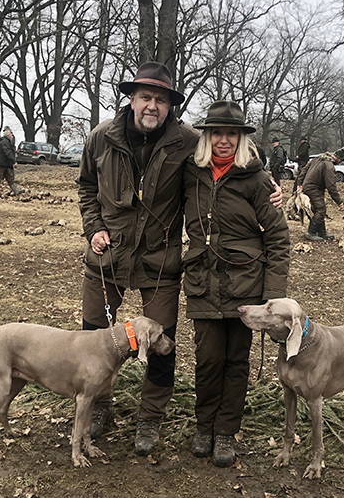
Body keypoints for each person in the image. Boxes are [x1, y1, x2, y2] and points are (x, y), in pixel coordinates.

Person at [77, 61, 199, 456]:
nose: (152, 106)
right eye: (145, 97)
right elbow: (86, 187)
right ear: (131, 99)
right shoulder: (101, 138)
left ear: (169, 105)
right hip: (107, 255)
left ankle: (150, 418)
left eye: (160, 100)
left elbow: (228, 168)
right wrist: (93, 226)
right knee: (93, 335)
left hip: (160, 259)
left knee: (163, 342)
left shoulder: (188, 141)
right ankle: (99, 406)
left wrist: (268, 189)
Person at [183, 101, 290, 467]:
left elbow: (277, 238)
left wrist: (273, 297)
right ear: (207, 137)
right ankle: (204, 426)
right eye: (217, 133)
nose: (224, 141)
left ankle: (226, 432)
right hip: (202, 283)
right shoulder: (190, 173)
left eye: (232, 134)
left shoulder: (257, 180)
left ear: (242, 139)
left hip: (247, 286)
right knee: (207, 359)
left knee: (236, 361)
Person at [296, 152, 344, 241]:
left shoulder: (318, 158)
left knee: (317, 208)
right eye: (341, 160)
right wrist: (339, 201)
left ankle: (322, 232)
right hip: (314, 188)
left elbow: (304, 169)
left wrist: (300, 182)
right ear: (339, 159)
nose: (340, 163)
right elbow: (331, 186)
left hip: (308, 186)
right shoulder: (329, 166)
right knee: (321, 209)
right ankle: (311, 232)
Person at [0, 127, 23, 197]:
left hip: (4, 163)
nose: (12, 137)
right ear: (9, 136)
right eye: (12, 136)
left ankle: (16, 191)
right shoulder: (5, 142)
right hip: (0, 163)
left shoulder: (3, 141)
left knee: (10, 177)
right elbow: (7, 153)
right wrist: (14, 161)